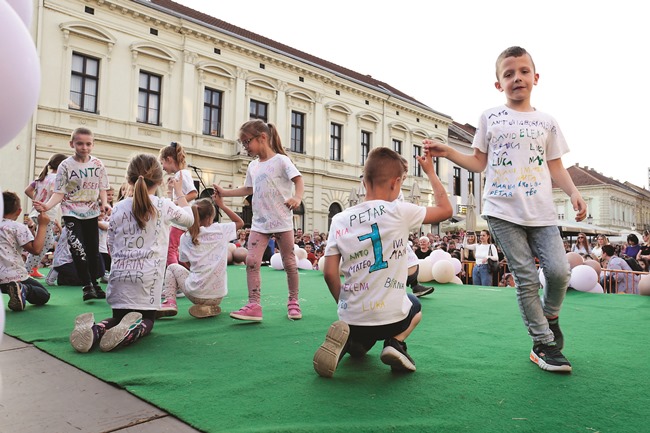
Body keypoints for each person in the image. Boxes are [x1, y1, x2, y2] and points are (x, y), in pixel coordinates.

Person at [427, 46, 587, 373]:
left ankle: (551, 316)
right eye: (509, 74)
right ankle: (543, 344)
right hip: (501, 210)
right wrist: (447, 152)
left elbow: (556, 165)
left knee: (558, 271)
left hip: (541, 212)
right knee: (527, 276)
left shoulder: (547, 122)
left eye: (524, 72)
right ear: (498, 83)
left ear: (536, 78)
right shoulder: (490, 117)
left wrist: (573, 193)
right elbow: (478, 162)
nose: (517, 79)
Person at [313, 147, 452, 378]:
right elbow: (446, 210)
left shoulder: (339, 219)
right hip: (392, 318)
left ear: (364, 181)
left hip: (354, 315)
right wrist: (430, 172)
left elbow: (329, 273)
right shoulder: (400, 211)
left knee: (360, 343)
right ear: (396, 183)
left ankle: (350, 340)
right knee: (415, 305)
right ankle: (395, 343)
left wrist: (344, 306)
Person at [69, 154, 194, 353]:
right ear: (160, 180)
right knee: (148, 320)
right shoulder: (163, 205)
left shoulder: (118, 207)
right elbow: (189, 220)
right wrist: (179, 193)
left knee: (117, 317)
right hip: (148, 281)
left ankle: (97, 328)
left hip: (119, 278)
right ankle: (131, 332)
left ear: (129, 180)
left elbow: (110, 242)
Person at [215, 120, 304, 321]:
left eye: (247, 142)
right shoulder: (253, 166)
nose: (245, 147)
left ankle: (293, 302)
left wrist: (297, 197)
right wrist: (225, 192)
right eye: (243, 143)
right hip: (260, 223)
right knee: (252, 261)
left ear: (262, 138)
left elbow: (298, 180)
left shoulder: (281, 161)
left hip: (282, 221)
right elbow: (248, 189)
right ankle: (254, 304)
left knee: (289, 263)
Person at [34, 127, 112, 302]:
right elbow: (59, 192)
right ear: (72, 144)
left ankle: (95, 284)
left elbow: (103, 188)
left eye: (88, 144)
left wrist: (105, 203)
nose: (84, 147)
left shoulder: (98, 164)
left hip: (91, 212)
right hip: (71, 212)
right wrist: (46, 206)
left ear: (93, 145)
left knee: (93, 250)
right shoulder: (66, 165)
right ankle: (86, 285)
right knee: (77, 248)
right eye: (80, 143)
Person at [157, 195, 244, 319]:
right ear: (210, 217)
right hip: (218, 295)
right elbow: (240, 222)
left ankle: (170, 302)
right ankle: (209, 306)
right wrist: (222, 205)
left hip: (196, 294)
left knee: (172, 268)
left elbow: (185, 263)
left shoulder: (187, 236)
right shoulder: (220, 229)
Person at [0, 191, 51, 311]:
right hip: (13, 276)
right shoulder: (17, 227)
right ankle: (23, 289)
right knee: (43, 295)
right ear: (19, 211)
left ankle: (17, 289)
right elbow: (36, 249)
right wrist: (43, 225)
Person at [24, 153, 66, 278]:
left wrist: (37, 200)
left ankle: (32, 268)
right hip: (45, 214)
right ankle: (27, 269)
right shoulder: (57, 179)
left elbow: (27, 190)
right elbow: (54, 192)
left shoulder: (43, 177)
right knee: (45, 243)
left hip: (38, 212)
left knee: (45, 241)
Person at [159, 142, 198, 266]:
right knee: (178, 250)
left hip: (182, 219)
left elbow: (193, 193)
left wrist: (175, 202)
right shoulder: (179, 175)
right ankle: (183, 273)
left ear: (169, 159)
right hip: (181, 217)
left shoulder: (182, 174)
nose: (163, 167)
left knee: (170, 248)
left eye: (162, 163)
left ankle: (174, 274)